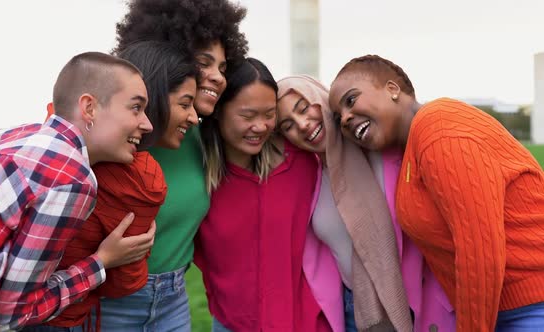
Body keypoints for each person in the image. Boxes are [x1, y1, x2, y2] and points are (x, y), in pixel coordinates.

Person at [329, 54, 544, 331]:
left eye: (351, 100)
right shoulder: (414, 147)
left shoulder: (439, 128)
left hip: (533, 307)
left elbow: (479, 252)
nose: (345, 118)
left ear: (392, 89)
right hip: (505, 311)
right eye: (338, 118)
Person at [0, 52, 156, 331]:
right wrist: (101, 261)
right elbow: (12, 314)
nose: (147, 124)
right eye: (136, 108)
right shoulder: (71, 177)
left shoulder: (8, 136)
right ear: (90, 108)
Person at [101, 0, 248, 329]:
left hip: (173, 298)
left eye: (223, 68)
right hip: (111, 299)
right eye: (204, 63)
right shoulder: (118, 138)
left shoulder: (206, 136)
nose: (217, 77)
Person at [277, 75, 455, 331]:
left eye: (304, 108)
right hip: (357, 313)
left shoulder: (385, 150)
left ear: (321, 98)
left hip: (422, 301)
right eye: (287, 125)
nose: (303, 124)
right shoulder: (311, 177)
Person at [194, 58, 341, 332]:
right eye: (247, 116)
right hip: (230, 324)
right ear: (218, 112)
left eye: (269, 114)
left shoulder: (301, 163)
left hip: (306, 323)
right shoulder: (198, 178)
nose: (261, 126)